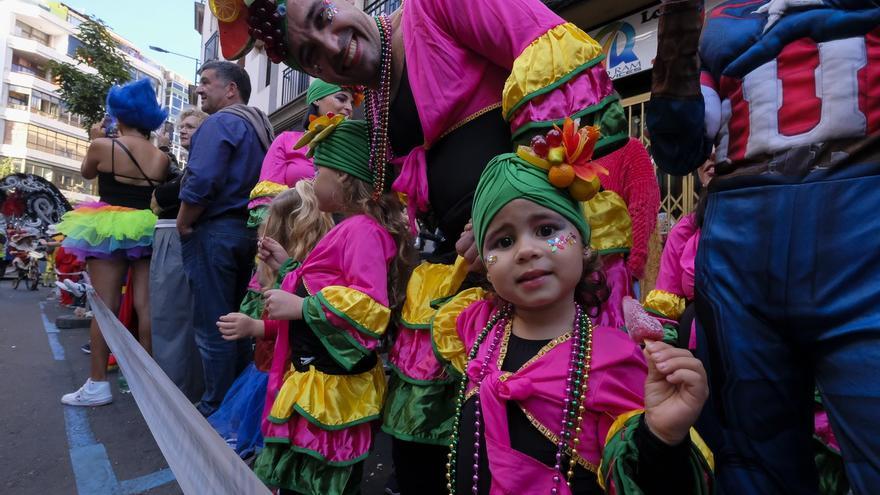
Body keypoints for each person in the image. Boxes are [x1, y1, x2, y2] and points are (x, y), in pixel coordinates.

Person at [646, 1, 880, 492]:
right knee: (751, 458)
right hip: (742, 268)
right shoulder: (723, 23)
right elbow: (679, 148)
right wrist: (678, 27)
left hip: (861, 248)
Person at [433, 144, 712, 494]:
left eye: (547, 230)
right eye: (503, 241)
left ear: (584, 244)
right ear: (485, 266)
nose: (526, 250)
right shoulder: (476, 326)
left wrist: (662, 436)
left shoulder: (615, 362)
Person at [219, 118, 413, 494]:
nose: (311, 177)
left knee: (315, 479)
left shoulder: (360, 230)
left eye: (318, 169)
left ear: (341, 176)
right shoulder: (356, 227)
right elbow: (330, 283)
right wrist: (287, 267)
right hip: (322, 381)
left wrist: (302, 307)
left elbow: (368, 306)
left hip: (329, 389)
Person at [58, 78, 170, 406]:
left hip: (107, 227)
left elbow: (87, 173)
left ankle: (97, 385)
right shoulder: (160, 157)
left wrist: (96, 138)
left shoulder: (102, 146)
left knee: (104, 307)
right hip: (146, 226)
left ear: (118, 114)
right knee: (145, 306)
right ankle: (146, 381)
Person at [178, 60, 274, 417]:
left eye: (206, 82)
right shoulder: (261, 126)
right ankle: (234, 408)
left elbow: (201, 181)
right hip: (248, 233)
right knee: (238, 326)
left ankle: (215, 405)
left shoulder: (221, 122)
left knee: (215, 326)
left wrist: (184, 224)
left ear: (230, 89)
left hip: (216, 232)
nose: (199, 88)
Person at [210, 182, 334, 459]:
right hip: (269, 365)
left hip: (289, 372)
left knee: (281, 424)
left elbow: (299, 325)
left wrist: (255, 326)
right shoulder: (288, 269)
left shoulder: (311, 277)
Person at [149, 106, 208, 401]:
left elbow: (162, 199)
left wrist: (163, 197)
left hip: (177, 240)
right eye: (182, 125)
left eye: (192, 126)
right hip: (173, 239)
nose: (184, 129)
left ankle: (177, 394)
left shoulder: (201, 169)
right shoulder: (187, 169)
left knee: (174, 318)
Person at [246, 79, 358, 228]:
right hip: (296, 235)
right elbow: (266, 202)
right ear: (317, 100)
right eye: (341, 99)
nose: (349, 108)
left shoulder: (356, 147)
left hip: (343, 236)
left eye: (352, 103)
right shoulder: (286, 141)